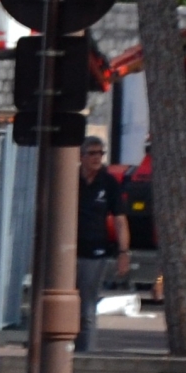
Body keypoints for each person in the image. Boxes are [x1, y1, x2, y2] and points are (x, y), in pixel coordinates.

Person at [72, 137, 129, 352]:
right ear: (81, 156)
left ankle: (85, 355)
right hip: (67, 253)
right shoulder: (70, 179)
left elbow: (120, 219)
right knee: (63, 308)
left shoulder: (109, 182)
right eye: (93, 153)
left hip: (95, 253)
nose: (97, 158)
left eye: (100, 153)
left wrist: (123, 252)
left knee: (87, 310)